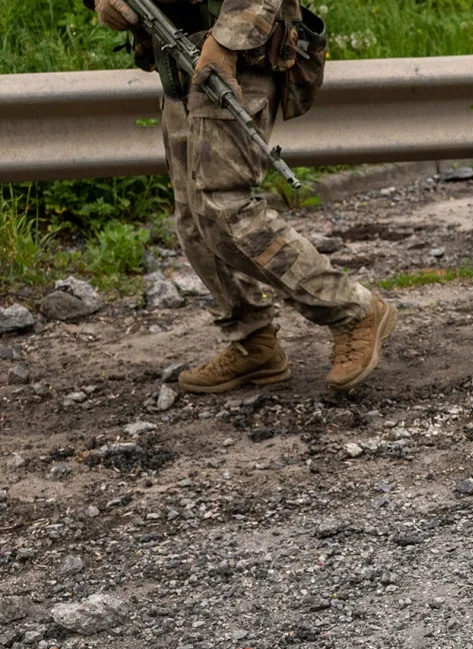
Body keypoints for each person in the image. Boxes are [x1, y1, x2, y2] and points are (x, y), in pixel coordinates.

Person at [89, 0, 395, 393]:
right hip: (177, 57)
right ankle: (254, 342)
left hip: (237, 59)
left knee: (227, 208)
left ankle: (352, 310)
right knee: (193, 218)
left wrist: (226, 41)